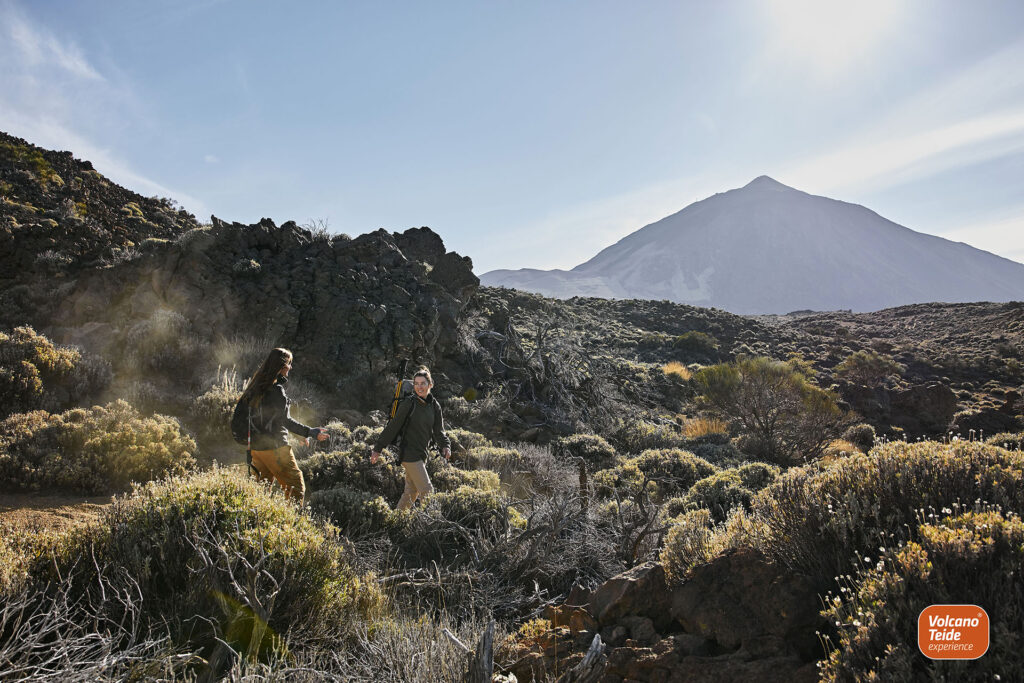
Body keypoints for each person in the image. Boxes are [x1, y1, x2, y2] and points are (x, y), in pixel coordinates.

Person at [239, 347, 328, 503]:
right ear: (281, 366)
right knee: (296, 488)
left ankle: (254, 522)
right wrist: (311, 432)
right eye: (289, 364)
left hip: (256, 448)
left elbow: (271, 418)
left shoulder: (257, 386)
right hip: (276, 448)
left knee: (258, 491)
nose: (291, 367)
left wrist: (297, 434)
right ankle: (290, 526)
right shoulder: (276, 391)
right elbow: (284, 420)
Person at [371, 366, 451, 510]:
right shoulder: (409, 403)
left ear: (430, 384)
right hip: (409, 454)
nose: (419, 387)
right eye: (416, 384)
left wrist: (446, 445)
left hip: (422, 454)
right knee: (427, 490)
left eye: (423, 383)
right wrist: (378, 448)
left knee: (411, 492)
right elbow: (393, 427)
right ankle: (430, 524)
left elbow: (439, 431)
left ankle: (396, 522)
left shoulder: (434, 405)